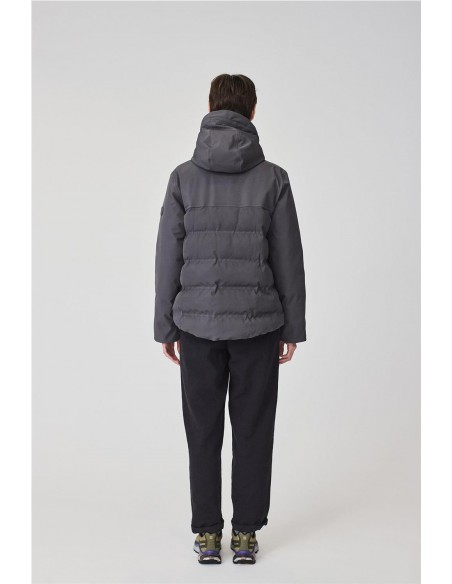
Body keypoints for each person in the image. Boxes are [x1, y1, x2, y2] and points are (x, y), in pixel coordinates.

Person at [154, 74, 306, 565]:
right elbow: (288, 257)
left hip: (196, 327)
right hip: (258, 327)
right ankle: (245, 535)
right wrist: (292, 326)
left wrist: (165, 325)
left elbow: (167, 255)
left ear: (210, 107)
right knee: (253, 430)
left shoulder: (183, 177)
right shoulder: (274, 178)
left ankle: (206, 535)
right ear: (253, 111)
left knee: (202, 432)